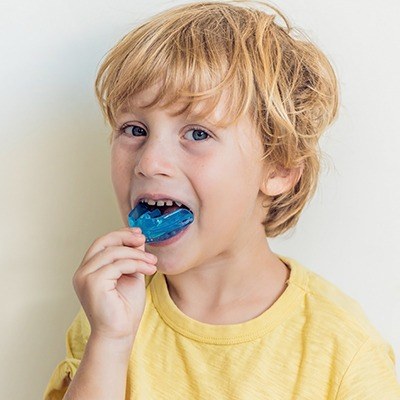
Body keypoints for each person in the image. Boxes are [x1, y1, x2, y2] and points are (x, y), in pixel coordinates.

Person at [44, 1, 400, 399]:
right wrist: (109, 341)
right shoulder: (110, 312)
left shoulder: (343, 351)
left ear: (279, 168)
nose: (150, 162)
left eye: (197, 134)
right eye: (134, 128)